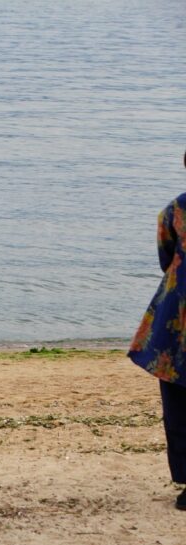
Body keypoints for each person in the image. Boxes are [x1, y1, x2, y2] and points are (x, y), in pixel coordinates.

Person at [128, 149, 186, 511]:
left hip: (176, 318)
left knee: (179, 401)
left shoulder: (174, 211)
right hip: (177, 317)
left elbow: (166, 258)